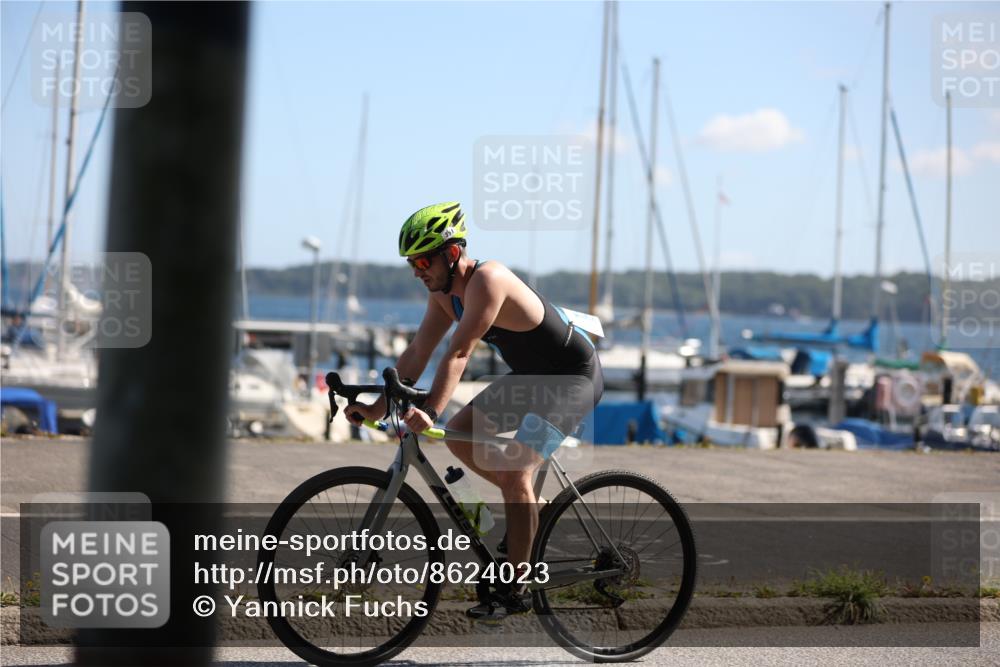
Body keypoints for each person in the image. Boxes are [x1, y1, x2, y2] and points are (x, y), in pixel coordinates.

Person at [345, 202, 604, 621]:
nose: (417, 271)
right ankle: (529, 505)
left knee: (514, 471)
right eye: (412, 263)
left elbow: (459, 352)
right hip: (531, 378)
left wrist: (429, 409)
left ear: (451, 254)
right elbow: (419, 351)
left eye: (423, 260)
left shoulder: (489, 279)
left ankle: (516, 587)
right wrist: (376, 406)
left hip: (572, 378)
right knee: (459, 436)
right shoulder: (443, 296)